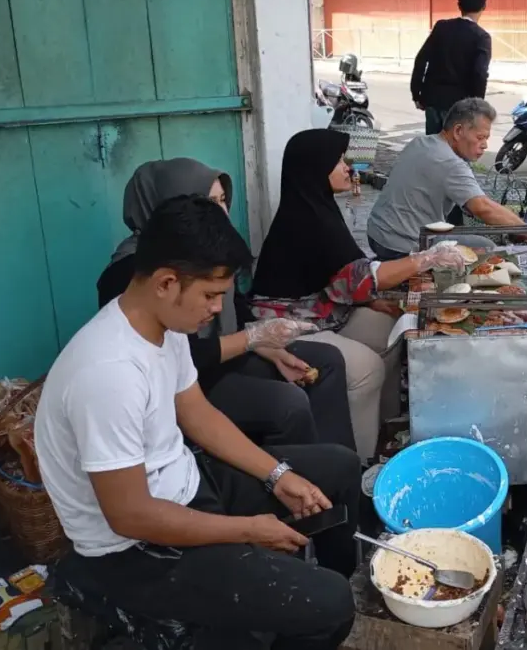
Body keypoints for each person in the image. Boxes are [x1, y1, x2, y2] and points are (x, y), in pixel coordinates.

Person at [36, 196, 360, 650]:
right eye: (210, 296)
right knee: (330, 605)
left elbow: (196, 413)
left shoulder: (162, 329)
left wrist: (277, 474)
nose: (215, 309)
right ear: (167, 282)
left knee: (340, 469)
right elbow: (130, 516)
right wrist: (250, 529)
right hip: (136, 552)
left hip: (187, 482)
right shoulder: (106, 372)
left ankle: (308, 592)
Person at [97, 158, 355, 451]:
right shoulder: (134, 273)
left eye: (222, 200)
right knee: (287, 405)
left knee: (326, 361)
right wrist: (252, 339)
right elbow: (181, 358)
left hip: (223, 360)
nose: (219, 213)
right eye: (207, 203)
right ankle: (295, 482)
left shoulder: (206, 251)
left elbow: (239, 311)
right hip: (189, 382)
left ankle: (334, 465)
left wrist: (268, 348)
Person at [251, 130, 467, 458]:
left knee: (397, 332)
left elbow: (344, 274)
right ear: (314, 168)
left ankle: (390, 431)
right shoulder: (306, 219)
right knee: (367, 369)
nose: (347, 168)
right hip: (286, 326)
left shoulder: (318, 206)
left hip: (323, 311)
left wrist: (372, 298)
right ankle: (361, 460)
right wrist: (426, 259)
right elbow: (363, 277)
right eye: (337, 161)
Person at [367, 98, 527, 261]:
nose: (484, 145)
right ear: (458, 131)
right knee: (486, 247)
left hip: (376, 234)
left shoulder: (420, 142)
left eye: (487, 138)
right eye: (480, 137)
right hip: (401, 247)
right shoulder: (450, 162)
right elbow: (483, 209)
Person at [411, 0, 492, 136]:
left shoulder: (441, 27)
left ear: (459, 5)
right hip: (460, 108)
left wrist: (417, 93)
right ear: (484, 6)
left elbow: (421, 59)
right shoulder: (481, 37)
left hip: (433, 101)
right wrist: (476, 106)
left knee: (434, 148)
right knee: (456, 153)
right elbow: (479, 74)